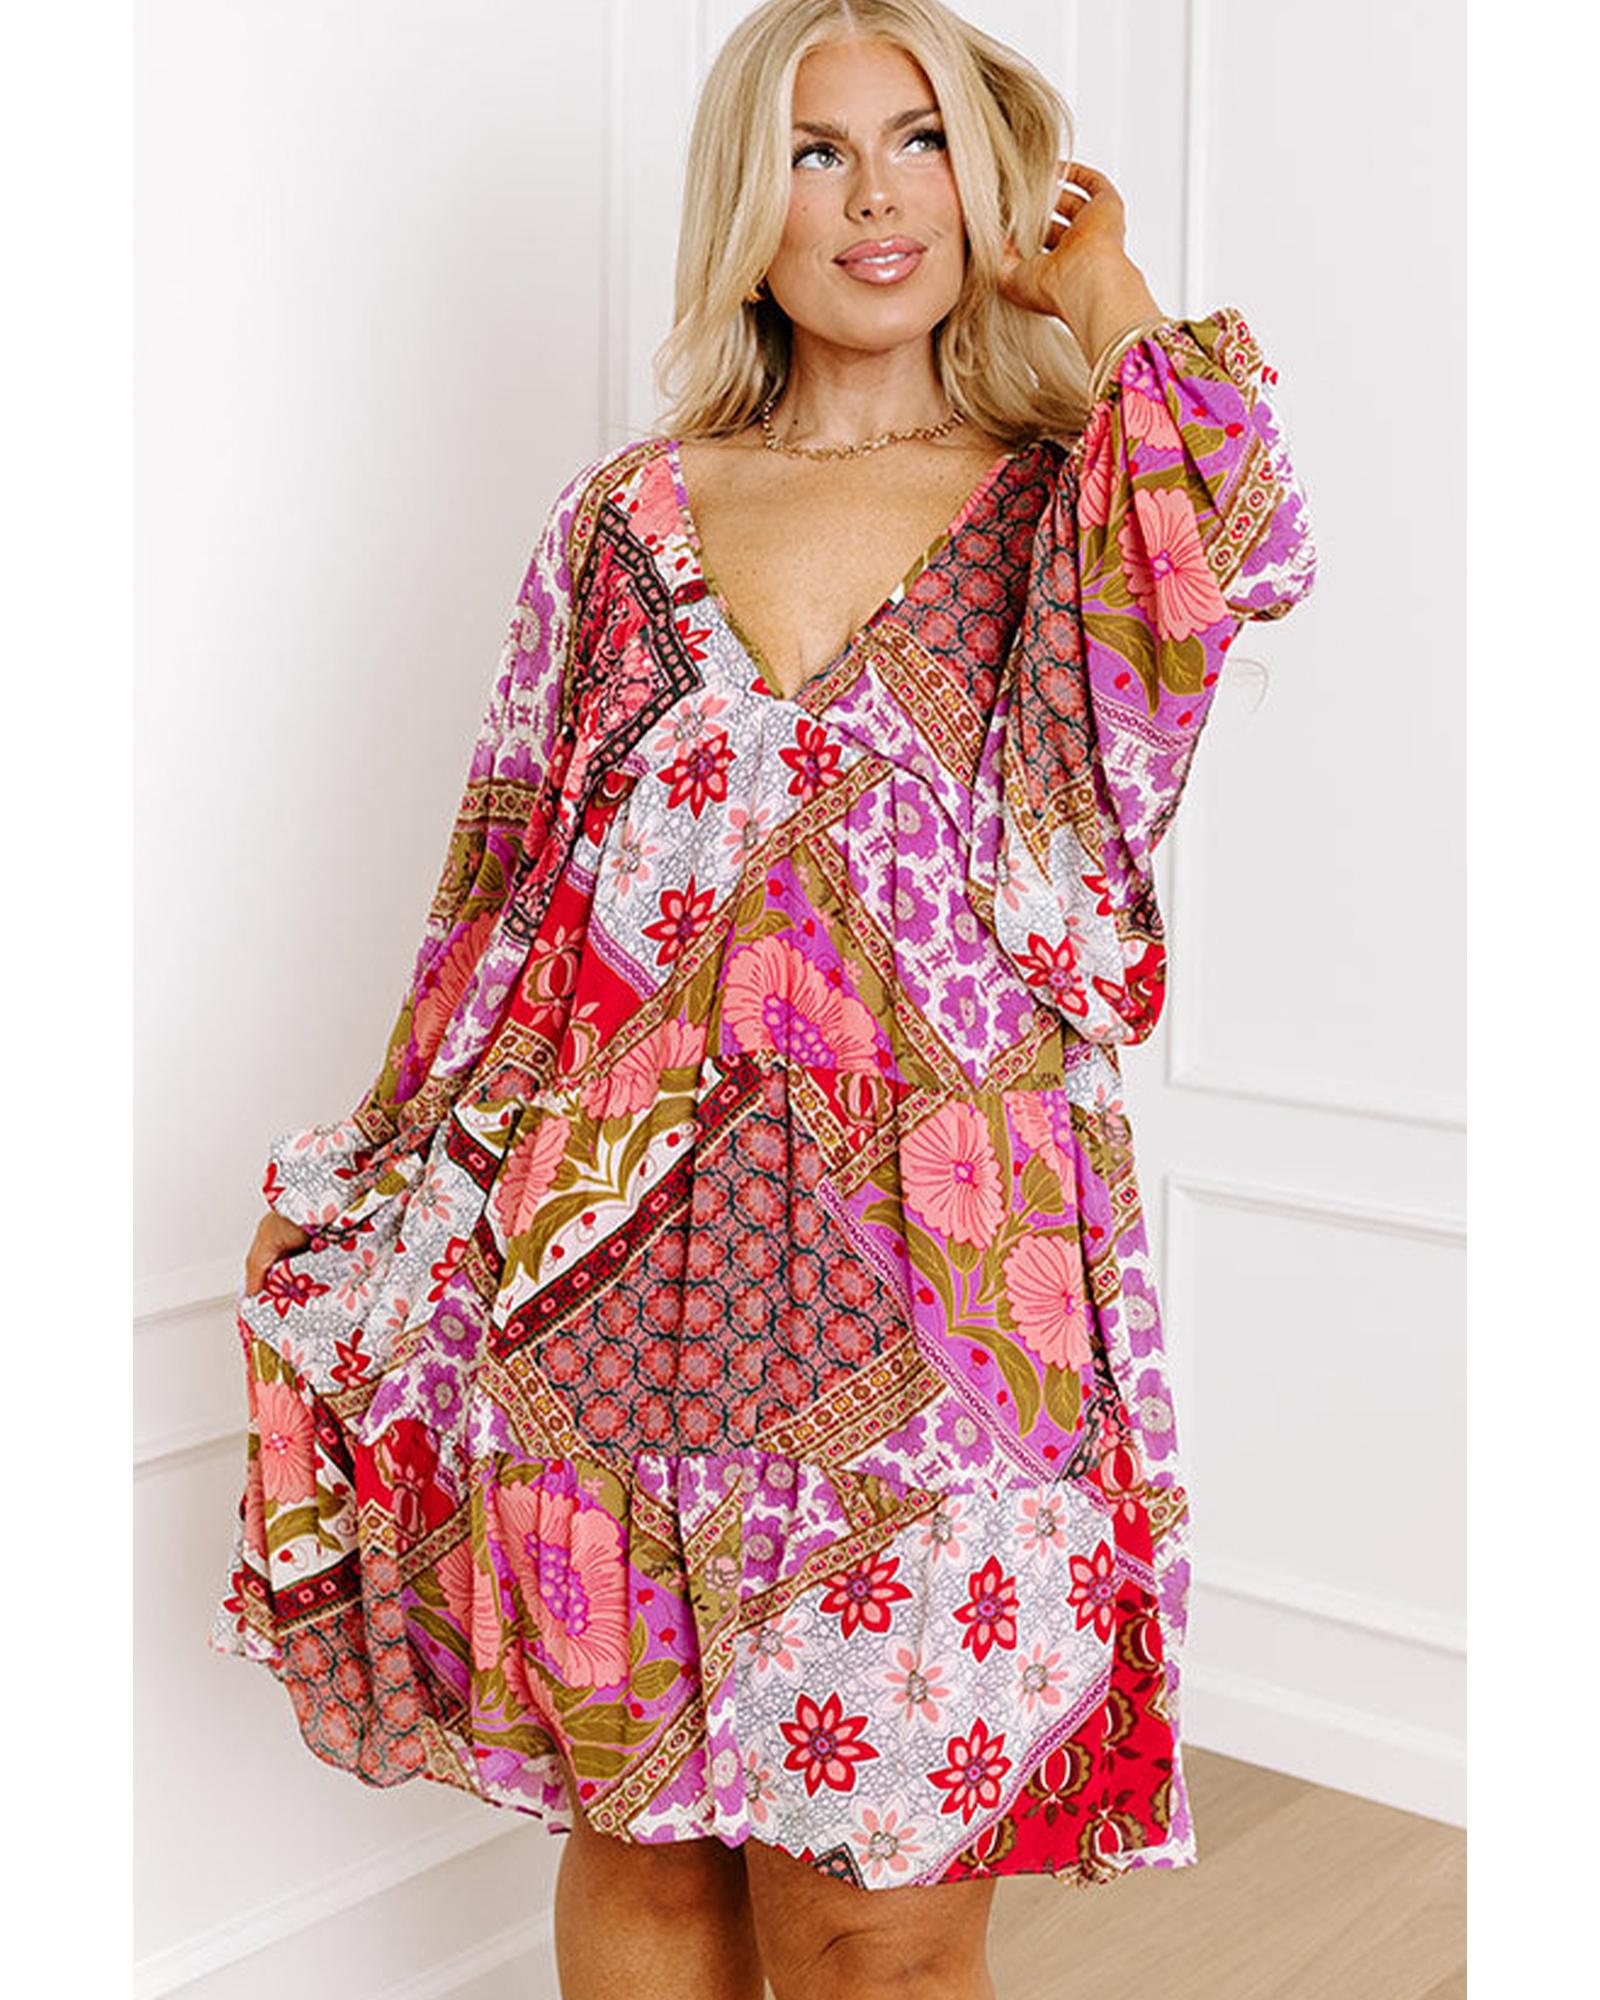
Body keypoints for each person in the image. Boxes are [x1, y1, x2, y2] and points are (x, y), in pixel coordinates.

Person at [211, 2, 1316, 1995]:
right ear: (749, 200)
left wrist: (1105, 295)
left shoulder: (1065, 506)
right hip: (609, 1265)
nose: (875, 197)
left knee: (883, 1924)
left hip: (951, 1283)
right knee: (647, 1869)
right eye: (817, 151)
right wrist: (383, 1176)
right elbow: (504, 890)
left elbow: (1241, 529)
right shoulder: (619, 522)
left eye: (920, 141)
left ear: (986, 185)